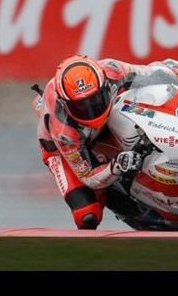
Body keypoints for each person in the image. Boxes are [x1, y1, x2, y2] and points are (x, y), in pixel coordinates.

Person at [31, 54, 155, 229]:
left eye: (95, 100)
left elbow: (151, 72)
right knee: (86, 215)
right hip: (62, 150)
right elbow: (88, 176)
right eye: (81, 107)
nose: (90, 110)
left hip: (106, 124)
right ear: (66, 104)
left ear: (104, 85)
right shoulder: (63, 130)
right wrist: (116, 167)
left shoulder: (112, 70)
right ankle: (119, 201)